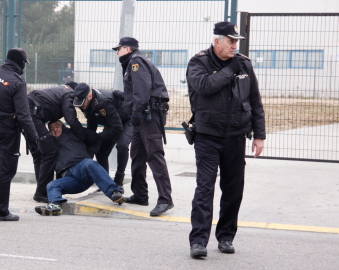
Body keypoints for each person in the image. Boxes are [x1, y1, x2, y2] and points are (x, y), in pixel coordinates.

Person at [185, 21, 266, 258]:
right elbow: (205, 86)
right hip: (207, 136)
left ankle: (226, 237)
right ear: (217, 40)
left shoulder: (244, 64)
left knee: (233, 189)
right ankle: (198, 241)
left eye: (236, 42)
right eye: (230, 41)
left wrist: (259, 135)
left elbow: (255, 101)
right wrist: (230, 70)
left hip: (235, 136)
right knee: (205, 188)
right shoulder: (198, 62)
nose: (234, 46)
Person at [112, 37, 173, 217]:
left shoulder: (136, 61)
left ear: (128, 48)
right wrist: (123, 97)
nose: (117, 52)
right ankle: (140, 194)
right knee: (137, 155)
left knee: (154, 155)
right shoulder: (133, 62)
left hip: (148, 116)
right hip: (141, 115)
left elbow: (142, 89)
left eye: (119, 49)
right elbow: (136, 90)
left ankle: (165, 199)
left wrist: (138, 112)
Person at [0, 48, 38, 222]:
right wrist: (34, 138)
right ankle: (0, 211)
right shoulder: (17, 82)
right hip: (8, 130)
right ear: (20, 63)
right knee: (6, 170)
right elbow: (24, 115)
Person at [35, 120, 124, 216]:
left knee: (90, 164)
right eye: (51, 128)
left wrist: (89, 154)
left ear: (63, 126)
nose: (55, 129)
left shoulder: (73, 133)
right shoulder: (49, 143)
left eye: (57, 126)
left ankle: (114, 192)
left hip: (81, 166)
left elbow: (96, 138)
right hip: (69, 177)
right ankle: (55, 205)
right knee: (52, 185)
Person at [27, 82, 87, 203]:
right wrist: (83, 136)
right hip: (31, 115)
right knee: (50, 152)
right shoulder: (68, 94)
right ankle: (42, 192)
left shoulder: (58, 92)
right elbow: (71, 119)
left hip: (25, 113)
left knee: (40, 154)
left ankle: (42, 190)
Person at [72, 84, 132, 193]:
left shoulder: (102, 102)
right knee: (100, 151)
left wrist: (98, 137)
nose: (81, 106)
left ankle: (119, 181)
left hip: (127, 119)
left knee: (122, 145)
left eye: (82, 102)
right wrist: (90, 139)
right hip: (113, 122)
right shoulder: (84, 103)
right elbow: (92, 121)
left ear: (89, 96)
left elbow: (117, 128)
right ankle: (105, 182)